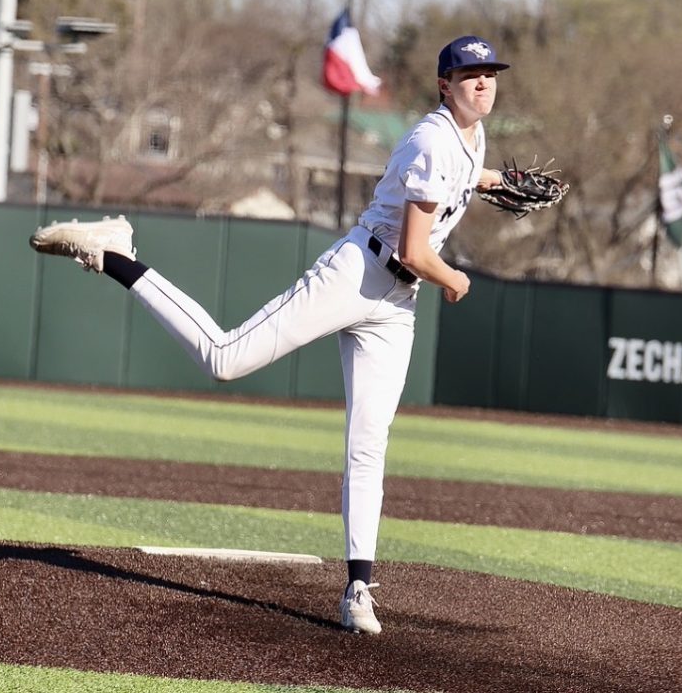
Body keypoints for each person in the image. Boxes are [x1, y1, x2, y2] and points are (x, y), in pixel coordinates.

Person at [28, 34, 513, 633]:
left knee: (370, 442)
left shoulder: (471, 136)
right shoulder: (431, 138)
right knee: (225, 358)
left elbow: (461, 173)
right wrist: (455, 278)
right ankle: (115, 256)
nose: (483, 83)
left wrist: (493, 181)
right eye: (471, 74)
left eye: (490, 72)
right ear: (446, 85)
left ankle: (359, 586)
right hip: (362, 272)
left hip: (395, 304)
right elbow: (416, 250)